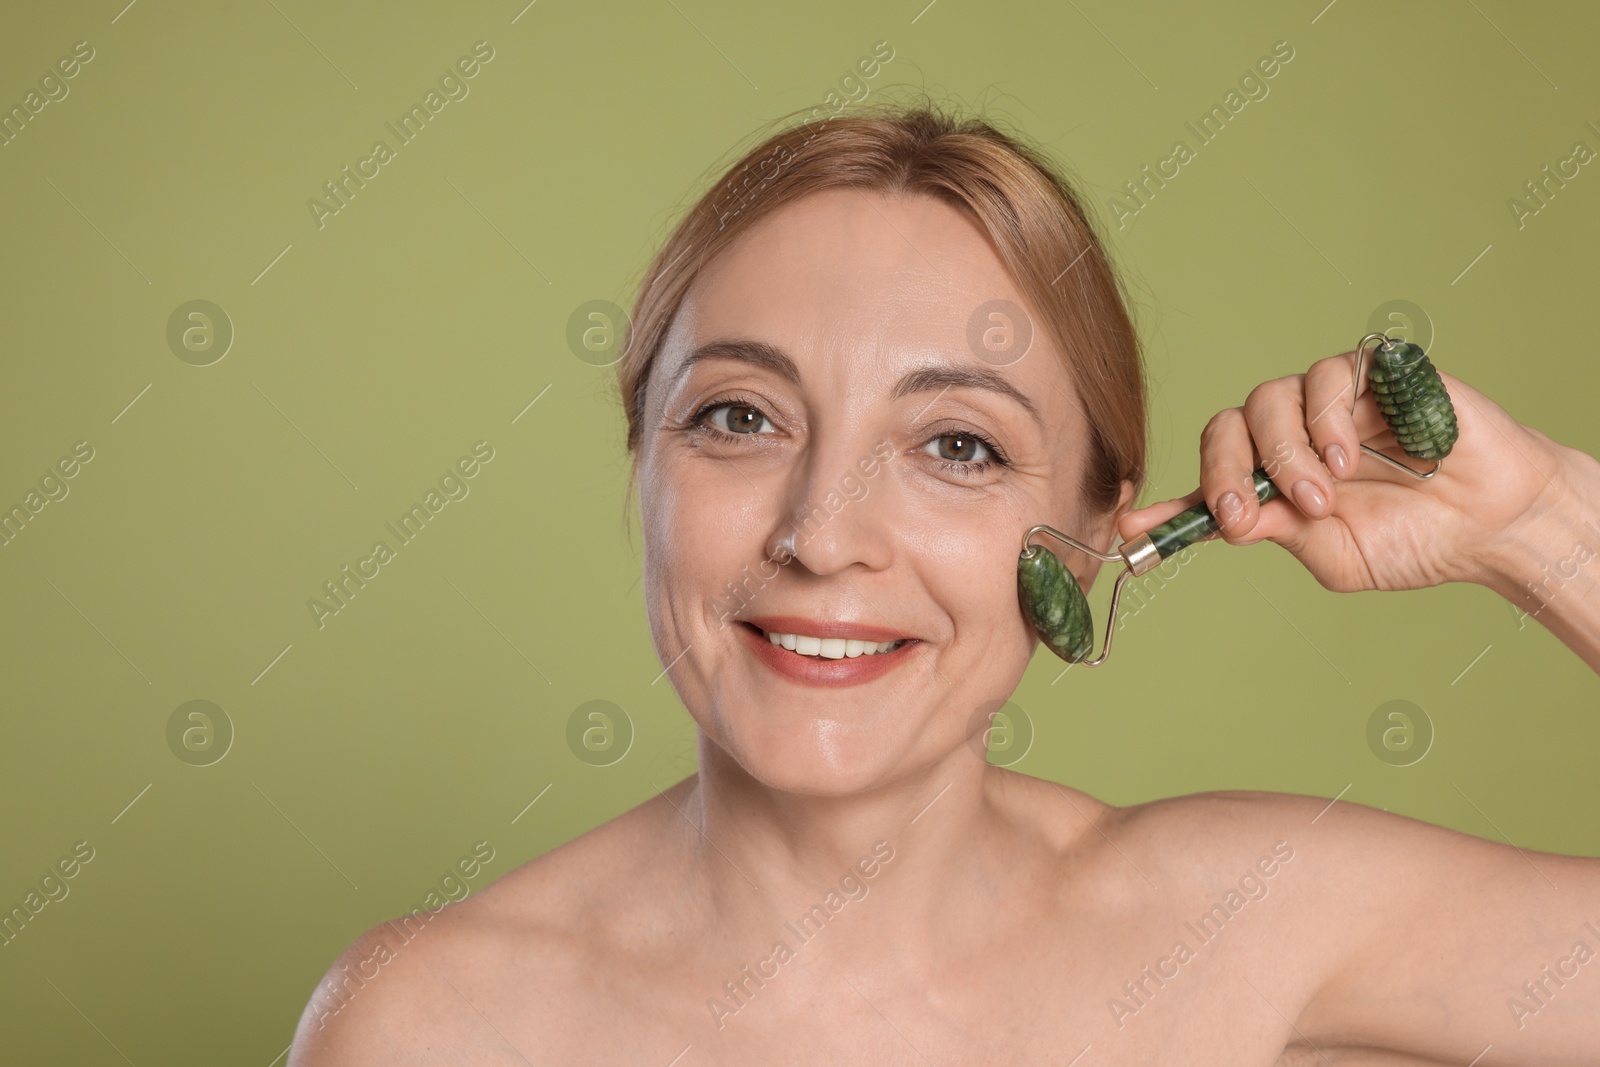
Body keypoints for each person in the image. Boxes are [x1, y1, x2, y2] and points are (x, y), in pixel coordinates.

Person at [289, 102, 1600, 1065]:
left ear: (1096, 520)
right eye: (740, 419)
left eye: (957, 445)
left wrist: (1539, 525)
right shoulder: (433, 1024)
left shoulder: (1243, 927)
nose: (822, 534)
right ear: (644, 469)